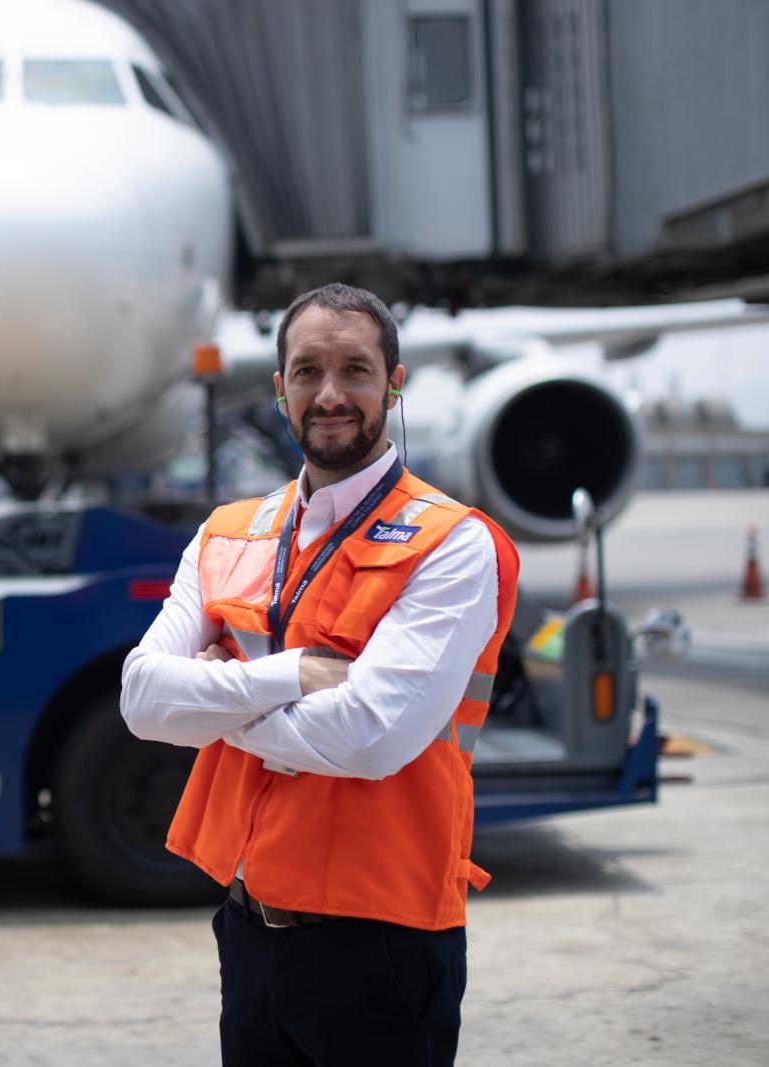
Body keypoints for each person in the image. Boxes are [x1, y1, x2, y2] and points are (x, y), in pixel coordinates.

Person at [120, 282, 519, 1066]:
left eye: (356, 370)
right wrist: (292, 673)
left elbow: (369, 737)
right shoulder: (227, 532)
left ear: (394, 381)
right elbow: (140, 700)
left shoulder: (452, 544)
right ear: (280, 390)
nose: (329, 393)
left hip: (383, 941)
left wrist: (213, 699)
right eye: (307, 371)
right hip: (250, 929)